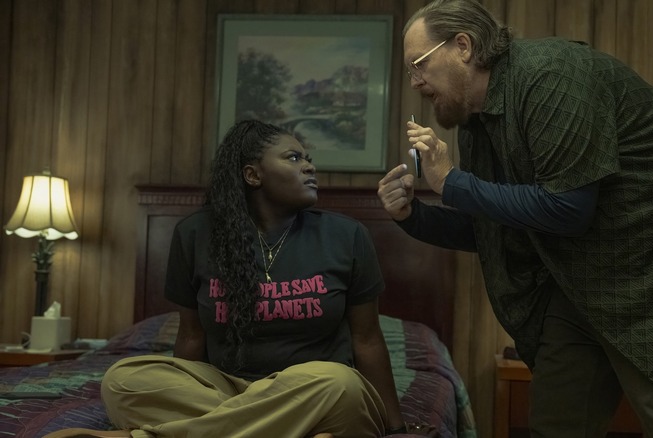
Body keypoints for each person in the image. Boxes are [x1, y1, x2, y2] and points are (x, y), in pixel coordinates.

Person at [377, 1, 653, 436]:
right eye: (410, 71)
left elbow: (568, 209)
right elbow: (496, 227)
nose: (416, 81)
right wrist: (411, 216)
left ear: (463, 46)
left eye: (419, 65)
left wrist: (454, 183)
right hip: (581, 270)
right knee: (556, 421)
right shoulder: (475, 125)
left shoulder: (550, 74)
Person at [48, 120, 410, 438]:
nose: (310, 167)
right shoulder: (196, 235)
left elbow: (367, 339)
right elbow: (192, 336)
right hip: (226, 389)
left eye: (308, 158)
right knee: (122, 381)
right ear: (252, 175)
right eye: (294, 158)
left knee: (340, 384)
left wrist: (395, 428)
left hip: (315, 389)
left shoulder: (346, 236)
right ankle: (289, 430)